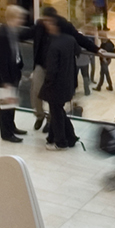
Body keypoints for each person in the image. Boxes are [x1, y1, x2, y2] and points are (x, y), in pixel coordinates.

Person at [36, 15, 82, 149]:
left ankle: (61, 142)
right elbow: (78, 52)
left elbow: (52, 70)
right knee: (58, 111)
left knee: (56, 113)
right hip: (68, 83)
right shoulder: (70, 40)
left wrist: (47, 85)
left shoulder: (54, 45)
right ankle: (56, 137)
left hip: (56, 86)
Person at [0, 5, 28, 143]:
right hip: (5, 77)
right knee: (5, 105)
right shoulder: (3, 34)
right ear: (12, 18)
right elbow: (1, 60)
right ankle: (6, 133)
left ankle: (11, 127)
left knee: (11, 103)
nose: (22, 20)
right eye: (19, 17)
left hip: (13, 73)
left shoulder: (12, 31)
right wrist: (6, 82)